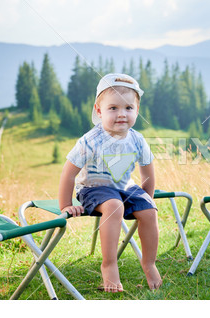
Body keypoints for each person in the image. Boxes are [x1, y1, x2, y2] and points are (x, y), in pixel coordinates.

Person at [58, 73, 161, 292]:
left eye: (128, 108)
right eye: (113, 108)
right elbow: (68, 174)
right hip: (93, 189)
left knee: (150, 211)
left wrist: (146, 199)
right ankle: (109, 265)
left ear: (137, 110)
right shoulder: (91, 140)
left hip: (124, 187)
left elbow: (148, 171)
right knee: (115, 206)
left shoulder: (137, 139)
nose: (121, 114)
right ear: (99, 110)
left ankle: (149, 262)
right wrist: (65, 204)